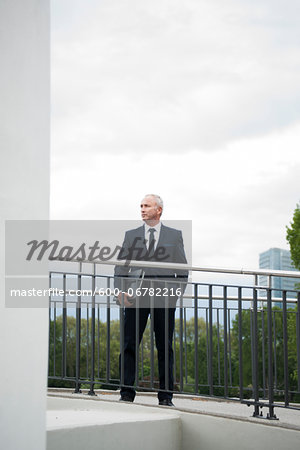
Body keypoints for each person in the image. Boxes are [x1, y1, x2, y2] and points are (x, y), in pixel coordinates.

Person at [114, 194, 188, 406]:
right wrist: (120, 292)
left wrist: (175, 295)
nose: (143, 209)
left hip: (164, 298)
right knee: (129, 344)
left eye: (147, 206)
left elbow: (182, 269)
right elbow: (121, 266)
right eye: (141, 206)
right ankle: (126, 393)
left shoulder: (174, 236)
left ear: (159, 210)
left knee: (165, 346)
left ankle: (165, 397)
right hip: (135, 298)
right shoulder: (131, 235)